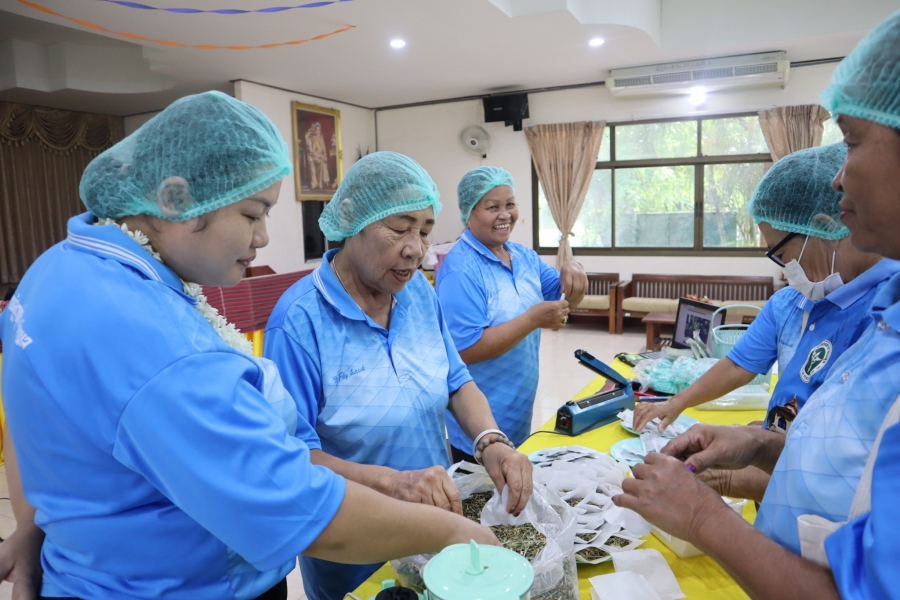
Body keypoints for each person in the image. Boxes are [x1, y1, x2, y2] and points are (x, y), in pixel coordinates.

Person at [0, 93, 497, 600]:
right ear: (175, 199)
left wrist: (33, 526)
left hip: (86, 566)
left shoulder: (58, 268)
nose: (263, 237)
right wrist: (455, 534)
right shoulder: (167, 348)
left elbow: (32, 419)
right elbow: (297, 510)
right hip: (184, 585)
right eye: (253, 212)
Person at [614, 10, 900, 599]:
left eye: (851, 143)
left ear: (822, 229)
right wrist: (764, 445)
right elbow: (840, 458)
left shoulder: (873, 316)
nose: (840, 179)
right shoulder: (885, 317)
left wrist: (700, 517)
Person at [263, 153, 534, 600]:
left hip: (436, 526)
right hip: (355, 546)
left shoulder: (418, 297)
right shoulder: (298, 322)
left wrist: (491, 440)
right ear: (351, 220)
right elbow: (293, 457)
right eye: (400, 227)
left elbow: (456, 380)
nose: (416, 249)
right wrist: (395, 482)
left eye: (425, 230)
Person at [632, 143, 899, 501]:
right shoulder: (793, 302)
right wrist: (676, 403)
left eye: (782, 253)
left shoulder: (885, 316)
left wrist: (730, 480)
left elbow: (847, 475)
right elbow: (738, 364)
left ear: (823, 227)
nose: (785, 269)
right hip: (780, 474)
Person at [434, 166, 588, 462]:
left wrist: (574, 271)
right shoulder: (460, 271)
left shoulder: (522, 256)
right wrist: (532, 319)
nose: (504, 214)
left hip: (518, 407)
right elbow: (464, 349)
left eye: (510, 204)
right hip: (478, 425)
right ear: (469, 213)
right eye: (492, 207)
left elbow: (563, 300)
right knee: (481, 503)